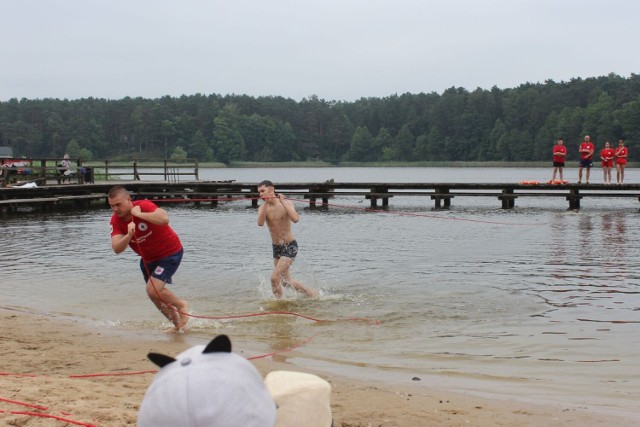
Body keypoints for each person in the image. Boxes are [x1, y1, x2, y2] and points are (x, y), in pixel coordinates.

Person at [108, 186, 189, 333]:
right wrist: (128, 235)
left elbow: (164, 219)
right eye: (112, 206)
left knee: (153, 290)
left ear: (128, 200)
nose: (115, 209)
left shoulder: (143, 206)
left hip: (169, 253)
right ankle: (178, 326)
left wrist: (140, 215)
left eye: (118, 205)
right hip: (148, 259)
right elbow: (116, 248)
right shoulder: (115, 221)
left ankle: (181, 304)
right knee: (154, 296)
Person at [257, 180, 318, 298]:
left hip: (290, 246)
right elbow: (260, 223)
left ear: (271, 189)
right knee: (285, 282)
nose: (260, 194)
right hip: (276, 247)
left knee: (274, 277)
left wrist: (283, 202)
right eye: (259, 192)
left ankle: (278, 305)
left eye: (262, 191)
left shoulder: (286, 203)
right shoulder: (262, 208)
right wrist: (266, 202)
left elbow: (295, 219)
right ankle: (311, 293)